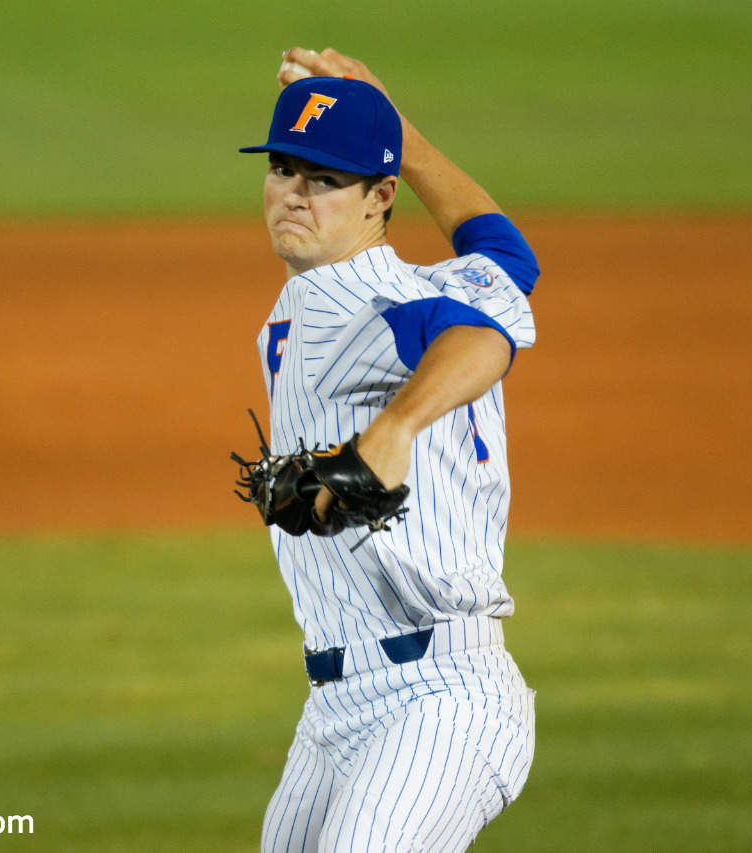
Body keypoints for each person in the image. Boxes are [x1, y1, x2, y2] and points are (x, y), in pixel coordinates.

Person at [237, 47, 540, 852]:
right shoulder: (432, 278)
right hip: (338, 709)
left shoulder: (358, 299)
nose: (294, 194)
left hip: (441, 697)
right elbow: (511, 260)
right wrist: (397, 133)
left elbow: (484, 339)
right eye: (283, 168)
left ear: (379, 198)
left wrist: (394, 428)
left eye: (325, 179)